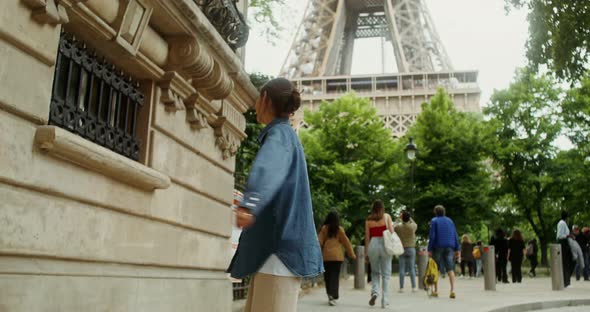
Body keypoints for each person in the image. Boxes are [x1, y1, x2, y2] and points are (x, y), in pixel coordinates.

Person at [228, 78, 323, 312]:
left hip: (277, 255)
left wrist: (249, 204)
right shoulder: (286, 136)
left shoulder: (280, 135)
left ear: (265, 99)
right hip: (276, 255)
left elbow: (267, 169)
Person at [318, 211, 356, 306]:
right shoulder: (339, 230)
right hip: (337, 257)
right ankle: (333, 295)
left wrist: (317, 252)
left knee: (327, 277)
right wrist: (352, 254)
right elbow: (346, 243)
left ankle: (329, 294)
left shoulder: (324, 229)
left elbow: (319, 242)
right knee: (334, 277)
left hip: (326, 257)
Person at [365, 200, 394, 308]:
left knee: (375, 272)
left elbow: (367, 238)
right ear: (382, 208)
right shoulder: (386, 217)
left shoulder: (368, 220)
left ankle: (375, 292)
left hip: (373, 245)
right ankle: (384, 300)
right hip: (385, 245)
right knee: (386, 274)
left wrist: (366, 253)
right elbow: (391, 232)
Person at [427, 205, 460, 299]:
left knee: (435, 269)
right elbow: (455, 234)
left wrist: (430, 249)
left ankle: (436, 291)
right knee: (450, 269)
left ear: (435, 212)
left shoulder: (434, 221)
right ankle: (452, 290)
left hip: (438, 246)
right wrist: (457, 248)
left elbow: (432, 236)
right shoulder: (450, 221)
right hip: (450, 246)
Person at [394, 210, 418, 292]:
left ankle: (401, 288)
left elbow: (393, 226)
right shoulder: (412, 227)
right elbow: (415, 223)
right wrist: (408, 216)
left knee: (402, 269)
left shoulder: (399, 228)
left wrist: (398, 218)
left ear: (402, 218)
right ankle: (414, 287)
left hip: (402, 249)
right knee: (411, 268)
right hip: (411, 248)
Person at [556, 211, 573, 288]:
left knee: (566, 262)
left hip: (564, 242)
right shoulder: (562, 223)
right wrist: (568, 235)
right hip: (563, 243)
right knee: (566, 262)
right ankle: (566, 282)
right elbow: (560, 235)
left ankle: (566, 281)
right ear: (567, 217)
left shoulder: (562, 223)